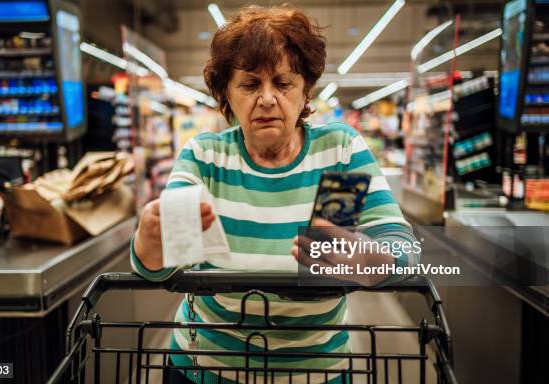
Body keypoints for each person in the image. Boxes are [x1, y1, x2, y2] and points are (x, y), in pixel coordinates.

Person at [131, 5, 419, 383]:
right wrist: (152, 242)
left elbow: (403, 250)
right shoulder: (206, 156)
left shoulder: (337, 153)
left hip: (315, 373)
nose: (267, 99)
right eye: (250, 85)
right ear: (226, 96)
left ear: (304, 93)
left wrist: (368, 259)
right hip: (206, 368)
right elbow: (161, 265)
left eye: (283, 84)